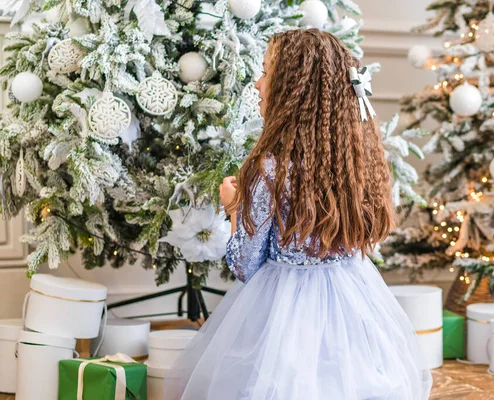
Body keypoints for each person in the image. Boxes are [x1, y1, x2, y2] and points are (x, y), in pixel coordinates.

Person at [164, 28, 432, 400]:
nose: (257, 85)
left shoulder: (271, 169)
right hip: (352, 296)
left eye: (265, 73)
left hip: (284, 310)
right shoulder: (350, 161)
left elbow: (244, 264)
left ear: (292, 90)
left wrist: (233, 208)